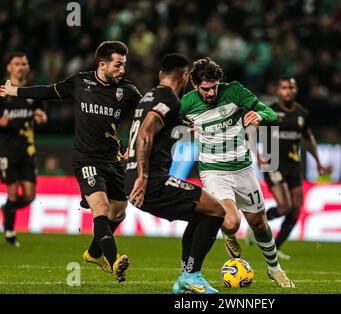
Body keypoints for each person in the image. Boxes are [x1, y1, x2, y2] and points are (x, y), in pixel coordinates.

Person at [0, 41, 142, 282]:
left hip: (114, 160)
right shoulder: (80, 82)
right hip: (86, 159)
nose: (122, 70)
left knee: (118, 214)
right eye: (118, 65)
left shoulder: (127, 91)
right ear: (102, 64)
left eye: (124, 65)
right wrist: (16, 91)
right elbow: (49, 90)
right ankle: (115, 260)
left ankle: (93, 253)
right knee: (101, 208)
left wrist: (137, 141)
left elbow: (147, 113)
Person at [180, 57, 294, 288]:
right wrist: (184, 127)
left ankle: (275, 270)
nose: (211, 93)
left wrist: (260, 115)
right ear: (194, 85)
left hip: (243, 169)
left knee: (260, 225)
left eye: (214, 87)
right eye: (205, 89)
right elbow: (163, 121)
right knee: (232, 222)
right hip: (213, 171)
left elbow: (270, 113)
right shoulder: (187, 103)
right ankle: (228, 232)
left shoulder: (234, 91)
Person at [125, 53, 226, 294]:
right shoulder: (170, 99)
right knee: (217, 210)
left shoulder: (148, 97)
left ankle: (186, 277)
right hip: (150, 181)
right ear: (185, 76)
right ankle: (191, 275)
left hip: (132, 178)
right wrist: (143, 175)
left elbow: (155, 129)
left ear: (161, 74)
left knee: (202, 215)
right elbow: (146, 133)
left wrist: (183, 127)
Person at [256, 77, 325, 260]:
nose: (288, 91)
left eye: (291, 87)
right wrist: (258, 156)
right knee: (285, 206)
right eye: (284, 87)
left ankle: (275, 247)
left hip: (294, 166)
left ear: (296, 90)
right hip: (273, 164)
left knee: (295, 209)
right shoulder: (269, 112)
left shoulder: (302, 113)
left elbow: (308, 138)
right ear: (278, 90)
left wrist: (318, 161)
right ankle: (257, 224)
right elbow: (254, 132)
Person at [0, 52, 47, 247]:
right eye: (17, 63)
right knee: (12, 193)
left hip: (28, 151)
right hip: (7, 151)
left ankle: (7, 209)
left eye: (24, 64)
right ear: (9, 68)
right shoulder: (2, 92)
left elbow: (41, 112)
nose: (21, 67)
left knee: (29, 196)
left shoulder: (32, 91)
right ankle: (10, 233)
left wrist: (42, 118)